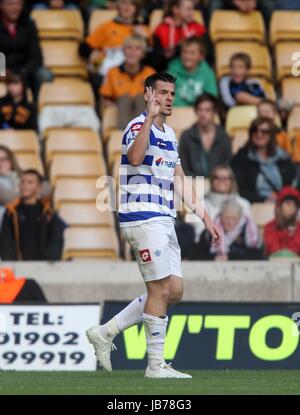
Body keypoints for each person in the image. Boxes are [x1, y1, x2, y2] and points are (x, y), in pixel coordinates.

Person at [86, 72, 222, 379]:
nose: (169, 98)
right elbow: (134, 158)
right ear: (149, 94)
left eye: (172, 93)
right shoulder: (137, 125)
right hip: (142, 217)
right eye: (162, 92)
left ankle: (106, 332)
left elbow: (180, 180)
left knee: (174, 290)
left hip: (164, 218)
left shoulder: (171, 134)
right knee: (160, 288)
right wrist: (148, 116)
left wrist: (206, 216)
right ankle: (155, 366)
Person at [79, 0, 150, 94]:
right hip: (107, 71)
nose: (127, 7)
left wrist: (145, 39)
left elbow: (153, 58)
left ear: (136, 8)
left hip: (134, 75)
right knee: (96, 80)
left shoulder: (143, 30)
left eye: (131, 4)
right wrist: (93, 53)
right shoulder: (107, 26)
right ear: (118, 6)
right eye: (124, 3)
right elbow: (83, 49)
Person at [0, 169, 66, 260]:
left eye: (30, 182)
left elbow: (56, 238)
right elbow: (6, 242)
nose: (25, 185)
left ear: (39, 188)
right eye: (22, 182)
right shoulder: (11, 212)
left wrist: (50, 261)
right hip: (19, 268)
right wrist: (12, 263)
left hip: (44, 267)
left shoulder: (48, 212)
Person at [231, 117, 296, 203]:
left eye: (264, 131)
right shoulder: (241, 158)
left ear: (271, 135)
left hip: (281, 204)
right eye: (255, 130)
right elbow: (240, 188)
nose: (259, 134)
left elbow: (290, 185)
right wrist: (263, 199)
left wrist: (281, 198)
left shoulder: (283, 158)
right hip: (253, 204)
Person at [183, 165, 251, 242]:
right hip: (208, 245)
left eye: (225, 178)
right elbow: (197, 233)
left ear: (232, 181)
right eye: (216, 177)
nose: (221, 181)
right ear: (211, 181)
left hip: (237, 247)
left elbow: (247, 231)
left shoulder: (244, 204)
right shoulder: (200, 204)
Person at [0, 0, 53, 99]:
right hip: (3, 69)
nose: (15, 8)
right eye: (11, 4)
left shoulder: (29, 24)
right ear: (1, 5)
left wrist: (22, 73)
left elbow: (36, 56)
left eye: (18, 4)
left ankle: (36, 109)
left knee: (44, 75)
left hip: (26, 71)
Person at [100, 34, 155, 129]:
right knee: (125, 100)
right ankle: (126, 137)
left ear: (143, 53)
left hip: (144, 114)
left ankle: (141, 135)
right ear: (123, 50)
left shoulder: (150, 73)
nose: (132, 52)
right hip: (121, 112)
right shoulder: (113, 72)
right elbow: (105, 99)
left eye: (138, 48)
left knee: (141, 99)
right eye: (129, 47)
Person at [179, 93, 231, 177]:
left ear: (215, 112)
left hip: (218, 185)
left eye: (207, 110)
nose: (203, 114)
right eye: (200, 110)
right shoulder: (186, 136)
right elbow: (183, 167)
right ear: (196, 111)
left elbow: (227, 165)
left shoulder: (224, 137)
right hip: (192, 183)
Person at [198, 199, 263, 260]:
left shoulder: (249, 230)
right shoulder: (210, 231)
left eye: (234, 218)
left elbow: (257, 254)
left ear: (240, 218)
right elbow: (197, 253)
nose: (230, 222)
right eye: (227, 218)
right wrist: (214, 258)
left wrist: (229, 257)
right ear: (221, 216)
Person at [150, 0, 206, 71]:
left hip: (195, 72)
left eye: (193, 9)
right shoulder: (161, 29)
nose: (192, 12)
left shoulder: (197, 28)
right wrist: (164, 55)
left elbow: (206, 55)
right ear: (175, 10)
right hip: (167, 71)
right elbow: (155, 61)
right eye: (188, 9)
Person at [167, 36, 217, 106]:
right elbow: (169, 95)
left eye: (192, 53)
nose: (187, 56)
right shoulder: (172, 71)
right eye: (184, 52)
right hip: (177, 111)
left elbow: (211, 97)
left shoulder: (208, 73)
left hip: (200, 113)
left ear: (201, 56)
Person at [264, 186, 300, 258]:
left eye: (295, 205)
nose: (292, 207)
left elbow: (297, 250)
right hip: (274, 266)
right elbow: (273, 249)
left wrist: (291, 231)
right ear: (279, 206)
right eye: (288, 203)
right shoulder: (270, 227)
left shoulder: (298, 228)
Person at [0, 145, 21, 228]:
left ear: (11, 161)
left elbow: (44, 188)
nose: (0, 163)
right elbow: (7, 197)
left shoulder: (18, 176)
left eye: (3, 160)